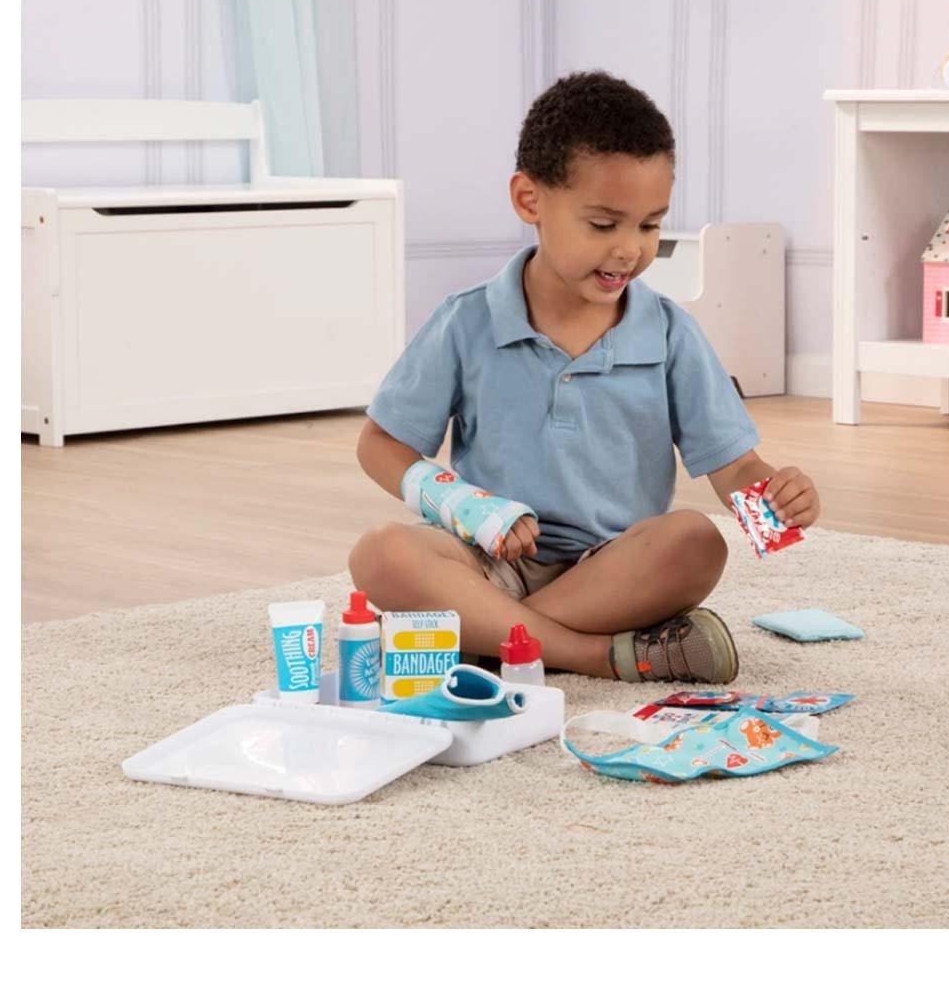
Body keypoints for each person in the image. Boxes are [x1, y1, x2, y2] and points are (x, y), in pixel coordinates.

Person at [349, 71, 820, 684]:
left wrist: (778, 502)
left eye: (650, 225)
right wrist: (463, 504)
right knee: (381, 554)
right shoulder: (467, 322)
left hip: (614, 571)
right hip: (487, 557)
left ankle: (485, 636)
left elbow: (735, 468)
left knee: (697, 542)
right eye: (603, 225)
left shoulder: (670, 334)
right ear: (530, 200)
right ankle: (595, 655)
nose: (630, 249)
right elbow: (380, 445)